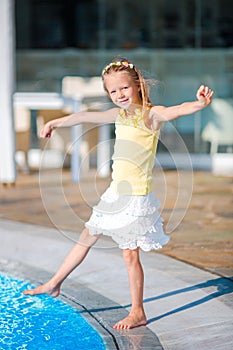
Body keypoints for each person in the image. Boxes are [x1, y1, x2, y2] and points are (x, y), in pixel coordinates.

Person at [23, 58, 213, 329]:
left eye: (124, 88)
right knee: (86, 237)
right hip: (115, 194)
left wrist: (199, 105)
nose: (119, 95)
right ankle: (54, 284)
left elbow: (178, 110)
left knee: (129, 254)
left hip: (136, 198)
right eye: (113, 91)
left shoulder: (151, 115)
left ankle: (137, 311)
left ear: (136, 85)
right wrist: (56, 123)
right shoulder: (119, 116)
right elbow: (84, 116)